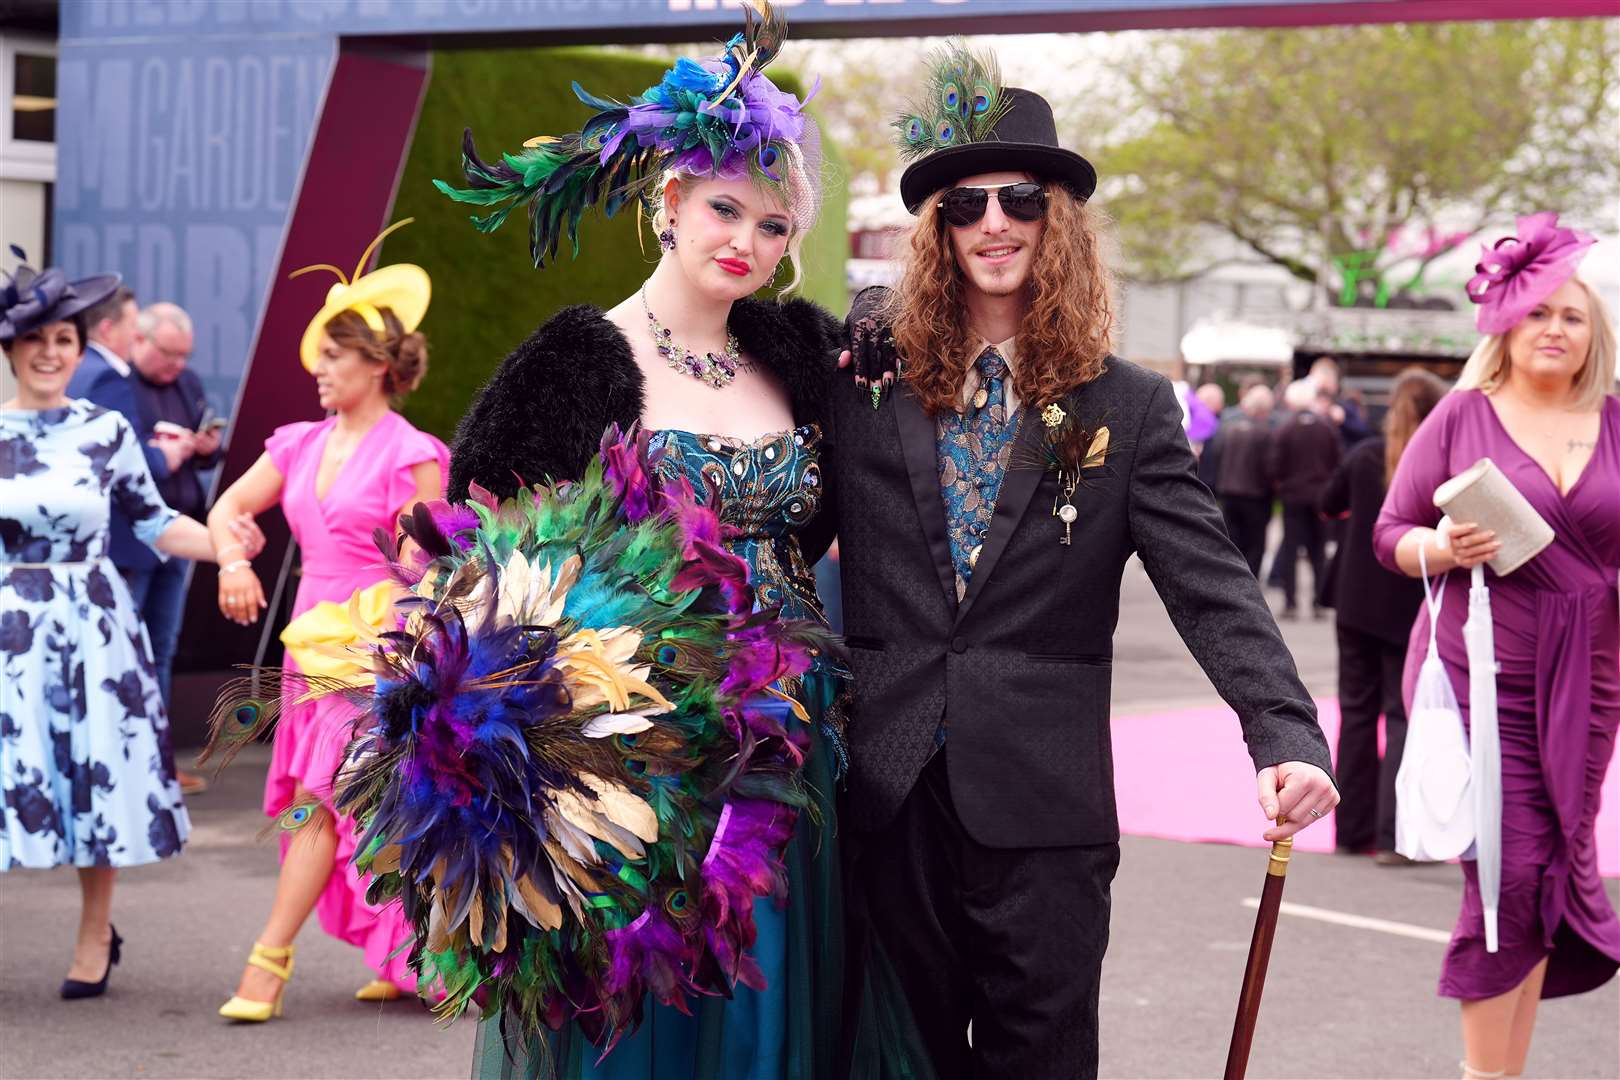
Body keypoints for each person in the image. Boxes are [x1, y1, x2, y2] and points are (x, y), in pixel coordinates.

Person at [833, 46, 1337, 1079]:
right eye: (964, 205)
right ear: (936, 230)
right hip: (884, 791)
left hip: (1045, 806)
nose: (994, 222)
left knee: (1044, 1061)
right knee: (897, 1062)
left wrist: (1283, 728)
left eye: (1020, 196)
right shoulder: (861, 385)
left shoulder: (1130, 405)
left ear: (1057, 212)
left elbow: (1212, 583)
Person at [437, 9, 861, 1076]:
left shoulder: (797, 350)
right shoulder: (580, 356)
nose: (748, 244)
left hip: (794, 730)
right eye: (727, 209)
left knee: (770, 992)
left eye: (773, 227)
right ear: (669, 203)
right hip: (643, 740)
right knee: (650, 1002)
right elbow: (486, 555)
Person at [1374, 213, 1618, 1080]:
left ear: (1595, 336)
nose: (1555, 328)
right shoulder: (1463, 415)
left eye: (1573, 316)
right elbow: (1390, 534)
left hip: (1590, 679)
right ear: (1507, 324)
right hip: (1490, 673)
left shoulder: (1617, 422)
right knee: (1505, 876)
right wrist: (1443, 548)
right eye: (1538, 312)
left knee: (1552, 871)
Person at [205, 229, 447, 1021]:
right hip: (310, 646)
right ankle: (404, 952)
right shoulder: (298, 442)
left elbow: (428, 568)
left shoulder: (413, 453)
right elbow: (228, 508)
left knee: (325, 796)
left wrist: (409, 617)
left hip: (379, 650)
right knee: (345, 801)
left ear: (377, 364)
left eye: (332, 356)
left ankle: (267, 961)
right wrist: (234, 560)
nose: (317, 367)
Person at [0, 258, 256, 998]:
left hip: (89, 626)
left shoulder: (105, 429)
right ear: (12, 349)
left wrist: (228, 545)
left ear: (81, 350)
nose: (51, 353)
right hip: (11, 628)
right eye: (35, 340)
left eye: (64, 340)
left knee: (90, 776)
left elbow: (156, 524)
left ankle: (94, 931)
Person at [1319, 368, 1446, 862]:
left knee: (1355, 714)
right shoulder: (1441, 467)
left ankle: (1350, 833)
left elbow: (1327, 505)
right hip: (1409, 605)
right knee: (1401, 716)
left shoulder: (1364, 454)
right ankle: (1394, 837)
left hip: (1355, 601)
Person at [130, 302, 222, 796]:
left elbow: (209, 443)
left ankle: (160, 760)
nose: (177, 366)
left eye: (184, 356)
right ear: (139, 341)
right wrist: (163, 454)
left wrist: (205, 446)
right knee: (131, 646)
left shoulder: (185, 384)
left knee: (162, 647)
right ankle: (132, 762)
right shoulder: (119, 385)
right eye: (169, 354)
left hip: (181, 532)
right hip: (135, 538)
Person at [1268, 378, 1341, 618]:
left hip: (1293, 497)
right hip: (1319, 497)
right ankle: (1319, 603)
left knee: (1291, 549)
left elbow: (1275, 466)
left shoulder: (1285, 430)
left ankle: (1291, 603)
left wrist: (1283, 485)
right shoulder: (1326, 428)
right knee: (1317, 551)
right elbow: (1337, 462)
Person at [1215, 382, 1277, 575]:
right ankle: (1250, 583)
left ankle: (1231, 578)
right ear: (1265, 408)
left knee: (1233, 540)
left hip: (1229, 493)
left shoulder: (1228, 429)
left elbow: (1217, 455)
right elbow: (1269, 468)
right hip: (1255, 496)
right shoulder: (1265, 433)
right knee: (1255, 544)